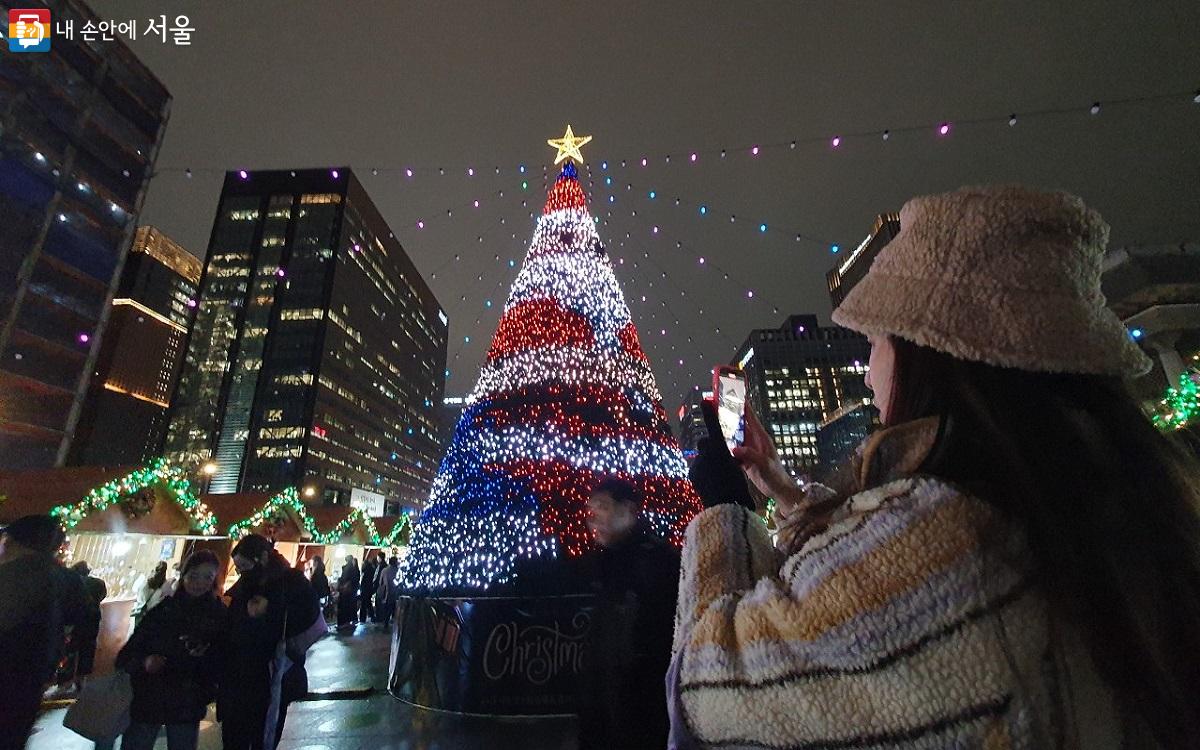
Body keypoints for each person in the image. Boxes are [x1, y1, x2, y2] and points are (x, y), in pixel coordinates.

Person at [674, 185, 1200, 748]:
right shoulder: (1117, 501)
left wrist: (722, 504)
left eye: (875, 341)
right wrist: (774, 480)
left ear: (929, 354)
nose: (869, 369)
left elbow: (709, 678)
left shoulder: (954, 537)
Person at [575, 478, 680, 750]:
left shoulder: (657, 562)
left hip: (644, 714)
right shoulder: (603, 564)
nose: (594, 516)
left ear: (630, 510)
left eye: (603, 506)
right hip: (608, 713)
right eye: (591, 508)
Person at [115, 550, 227, 750]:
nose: (199, 583)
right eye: (193, 576)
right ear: (184, 575)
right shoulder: (164, 610)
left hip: (188, 699)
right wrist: (145, 662)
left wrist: (204, 658)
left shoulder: (218, 615)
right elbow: (129, 652)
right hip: (150, 696)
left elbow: (224, 656)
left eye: (207, 577)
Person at [218, 534, 320, 750]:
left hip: (274, 671)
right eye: (238, 568)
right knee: (234, 735)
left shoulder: (290, 581)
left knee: (264, 732)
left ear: (262, 557)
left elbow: (308, 614)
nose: (241, 572)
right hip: (238, 674)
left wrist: (271, 609)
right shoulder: (245, 585)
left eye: (244, 565)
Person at [0, 515, 87, 750]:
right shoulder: (64, 579)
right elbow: (83, 620)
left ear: (12, 543)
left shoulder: (13, 577)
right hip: (32, 678)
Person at [69, 560, 107, 691]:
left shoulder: (73, 582)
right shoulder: (99, 583)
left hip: (76, 620)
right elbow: (103, 596)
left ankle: (66, 678)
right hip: (92, 619)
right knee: (88, 649)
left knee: (72, 648)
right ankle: (81, 679)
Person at [132, 560, 172, 629]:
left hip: (141, 613)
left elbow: (136, 592)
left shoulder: (146, 582)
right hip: (155, 618)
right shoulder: (167, 586)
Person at [375, 555, 401, 627]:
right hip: (395, 592)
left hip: (386, 591)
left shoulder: (385, 570)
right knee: (394, 607)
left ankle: (386, 622)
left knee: (386, 607)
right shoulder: (398, 571)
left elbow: (380, 582)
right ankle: (393, 621)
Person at [336, 555, 359, 632]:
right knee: (348, 606)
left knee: (343, 606)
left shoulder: (346, 568)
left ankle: (342, 623)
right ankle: (347, 621)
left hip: (345, 591)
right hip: (350, 591)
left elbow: (344, 578)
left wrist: (341, 584)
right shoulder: (353, 569)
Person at [358, 551, 378, 625]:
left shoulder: (366, 570)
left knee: (364, 604)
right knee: (367, 603)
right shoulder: (371, 569)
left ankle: (363, 618)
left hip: (365, 589)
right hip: (368, 589)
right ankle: (371, 616)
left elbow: (364, 580)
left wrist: (361, 587)